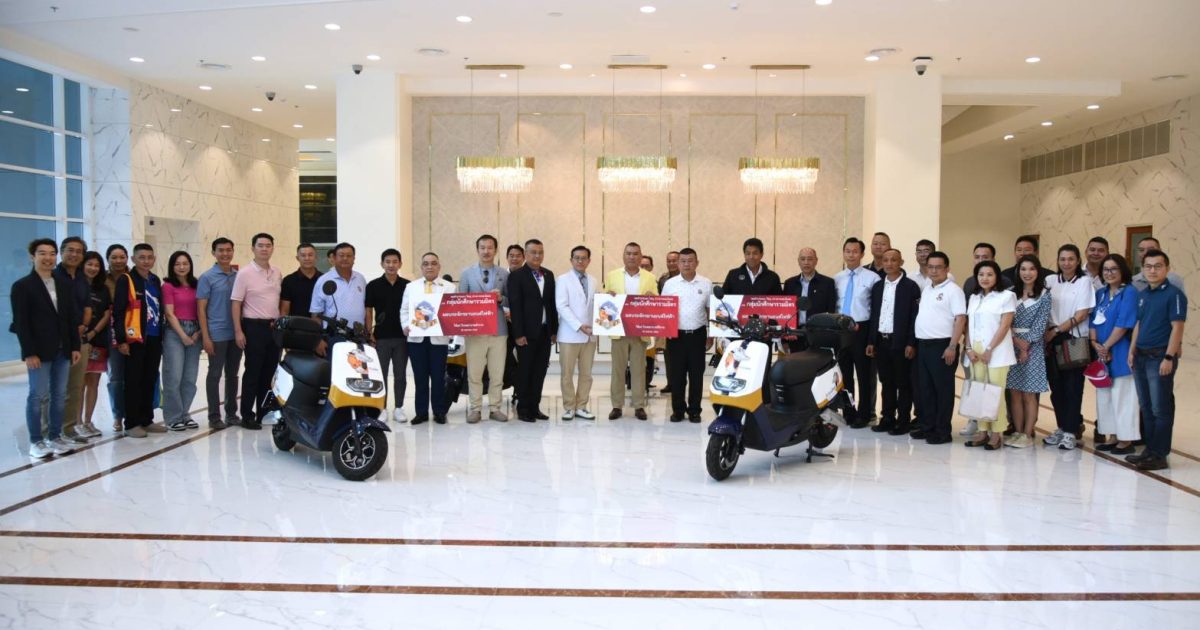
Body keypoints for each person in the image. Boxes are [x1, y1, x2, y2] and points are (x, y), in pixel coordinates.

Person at [11, 238, 82, 458]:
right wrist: (29, 352)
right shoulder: (23, 286)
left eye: (52, 253)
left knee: (59, 395)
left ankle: (55, 436)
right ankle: (36, 441)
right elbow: (21, 323)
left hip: (63, 349)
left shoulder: (63, 284)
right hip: (39, 351)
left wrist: (75, 346)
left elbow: (71, 318)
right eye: (42, 253)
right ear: (32, 256)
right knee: (37, 396)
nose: (48, 258)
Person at [1126, 249, 1187, 471]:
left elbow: (1177, 328)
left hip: (1159, 357)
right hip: (1141, 357)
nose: (1152, 270)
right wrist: (1132, 351)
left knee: (1160, 408)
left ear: (1167, 269)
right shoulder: (1143, 294)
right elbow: (1138, 324)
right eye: (1148, 266)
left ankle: (1160, 454)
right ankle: (1150, 450)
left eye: (1158, 266)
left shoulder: (1174, 295)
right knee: (1146, 406)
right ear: (1143, 269)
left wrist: (1169, 357)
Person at [1042, 244, 1095, 451]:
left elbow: (1081, 315)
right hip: (1051, 340)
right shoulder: (1050, 281)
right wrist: (1049, 333)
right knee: (1056, 388)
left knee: (1073, 387)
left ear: (1078, 261)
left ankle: (1071, 431)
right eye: (1062, 259)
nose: (1066, 263)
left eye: (1071, 259)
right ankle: (1062, 427)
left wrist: (1056, 330)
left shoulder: (1084, 282)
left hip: (1074, 340)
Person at [959, 242, 1014, 439]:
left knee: (995, 392)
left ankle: (996, 434)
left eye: (989, 274)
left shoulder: (1007, 296)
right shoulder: (974, 297)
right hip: (975, 350)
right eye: (981, 274)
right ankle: (982, 432)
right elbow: (969, 325)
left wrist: (990, 349)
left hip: (996, 350)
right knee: (979, 391)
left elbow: (1005, 326)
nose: (985, 278)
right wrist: (968, 348)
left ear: (997, 276)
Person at [112, 243, 168, 438]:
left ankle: (146, 419)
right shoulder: (126, 280)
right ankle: (132, 423)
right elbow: (118, 312)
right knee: (133, 381)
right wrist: (122, 340)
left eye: (149, 257)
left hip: (154, 338)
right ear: (133, 259)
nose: (146, 261)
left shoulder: (154, 280)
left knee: (150, 379)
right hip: (134, 338)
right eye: (142, 257)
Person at [912, 251, 966, 445]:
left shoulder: (953, 290)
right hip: (923, 345)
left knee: (942, 390)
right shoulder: (928, 288)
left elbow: (960, 319)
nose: (933, 271)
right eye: (930, 267)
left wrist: (952, 346)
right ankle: (928, 427)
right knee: (926, 389)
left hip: (942, 346)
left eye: (938, 267)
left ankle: (943, 431)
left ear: (947, 269)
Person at [230, 233, 282, 430]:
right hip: (253, 327)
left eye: (268, 245)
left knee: (269, 373)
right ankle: (247, 415)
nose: (264, 249)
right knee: (253, 372)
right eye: (260, 245)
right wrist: (238, 331)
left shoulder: (277, 272)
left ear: (272, 248)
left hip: (273, 328)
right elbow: (236, 303)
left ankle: (264, 412)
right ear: (253, 248)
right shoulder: (244, 273)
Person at [865, 249, 920, 435]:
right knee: (886, 382)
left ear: (901, 262)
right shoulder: (878, 286)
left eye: (893, 260)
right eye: (886, 260)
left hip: (901, 343)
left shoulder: (910, 287)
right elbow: (875, 315)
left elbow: (914, 317)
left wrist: (911, 343)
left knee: (903, 383)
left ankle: (903, 421)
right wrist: (871, 341)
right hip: (882, 341)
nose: (889, 263)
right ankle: (887, 418)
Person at [1090, 254, 1139, 455]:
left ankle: (1126, 439)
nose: (1109, 273)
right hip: (1101, 351)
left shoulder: (1130, 292)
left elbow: (1124, 322)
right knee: (1105, 396)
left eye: (1113, 269)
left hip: (1120, 350)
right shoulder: (1100, 293)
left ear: (1122, 271)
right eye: (1105, 269)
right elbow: (1093, 320)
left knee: (1123, 396)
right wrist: (1095, 344)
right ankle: (1112, 436)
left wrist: (1106, 346)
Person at [459, 235, 510, 423]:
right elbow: (460, 301)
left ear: (495, 250)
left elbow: (511, 301)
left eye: (490, 248)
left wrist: (501, 299)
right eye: (483, 247)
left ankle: (495, 408)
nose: (486, 251)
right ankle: (475, 409)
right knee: (474, 373)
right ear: (477, 250)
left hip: (498, 331)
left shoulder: (504, 274)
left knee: (497, 374)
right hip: (475, 331)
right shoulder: (466, 273)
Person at [603, 242, 657, 421]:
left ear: (640, 256)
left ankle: (639, 406)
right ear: (623, 256)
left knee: (639, 370)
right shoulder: (612, 275)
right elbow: (604, 301)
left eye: (635, 254)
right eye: (628, 253)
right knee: (617, 370)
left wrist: (652, 297)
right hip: (619, 329)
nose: (632, 257)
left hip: (640, 330)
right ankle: (616, 406)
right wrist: (608, 294)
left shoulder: (650, 277)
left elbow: (657, 301)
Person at [508, 239, 558, 422]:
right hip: (526, 334)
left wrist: (554, 330)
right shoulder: (517, 276)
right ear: (526, 254)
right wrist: (518, 334)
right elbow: (515, 307)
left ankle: (534, 407)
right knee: (525, 371)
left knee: (539, 372)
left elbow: (551, 304)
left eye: (540, 252)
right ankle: (523, 408)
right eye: (533, 252)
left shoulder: (549, 275)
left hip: (545, 332)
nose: (537, 255)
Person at [1005, 255, 1052, 448]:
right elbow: (1004, 321)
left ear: (1038, 271)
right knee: (1014, 392)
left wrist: (1026, 345)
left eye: (1031, 269)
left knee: (1029, 393)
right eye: (1023, 269)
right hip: (1010, 345)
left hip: (1034, 347)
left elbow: (1041, 324)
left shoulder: (1045, 295)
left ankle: (1027, 433)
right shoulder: (1010, 293)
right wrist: (1016, 341)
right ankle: (1017, 431)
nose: (1027, 273)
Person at [661, 248, 714, 422]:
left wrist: (711, 334)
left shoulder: (706, 283)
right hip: (675, 336)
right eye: (683, 261)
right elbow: (663, 309)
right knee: (677, 376)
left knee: (696, 375)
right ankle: (678, 410)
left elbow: (711, 311)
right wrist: (664, 331)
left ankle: (694, 410)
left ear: (697, 263)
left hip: (698, 335)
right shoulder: (670, 284)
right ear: (678, 264)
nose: (686, 264)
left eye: (690, 261)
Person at [401, 252, 455, 425]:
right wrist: (405, 326)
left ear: (439, 266)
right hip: (416, 340)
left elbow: (453, 312)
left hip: (438, 339)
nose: (429, 266)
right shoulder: (411, 287)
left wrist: (451, 329)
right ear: (421, 267)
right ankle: (421, 413)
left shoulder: (449, 287)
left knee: (438, 378)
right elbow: (404, 310)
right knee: (420, 378)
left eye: (433, 263)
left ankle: (439, 412)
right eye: (426, 264)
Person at [834, 237, 879, 427]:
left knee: (864, 375)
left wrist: (872, 339)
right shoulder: (837, 278)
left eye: (855, 251)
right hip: (841, 330)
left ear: (862, 254)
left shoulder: (872, 278)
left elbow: (875, 311)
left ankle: (864, 414)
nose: (851, 255)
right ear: (843, 253)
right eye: (847, 251)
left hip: (862, 329)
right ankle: (849, 411)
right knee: (844, 375)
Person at [197, 237, 241, 429]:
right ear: (213, 253)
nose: (225, 254)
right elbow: (201, 309)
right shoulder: (207, 277)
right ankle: (214, 416)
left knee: (233, 374)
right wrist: (206, 336)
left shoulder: (238, 276)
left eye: (228, 250)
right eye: (221, 250)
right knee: (214, 374)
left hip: (236, 333)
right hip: (216, 333)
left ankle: (231, 414)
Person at [365, 248, 410, 423]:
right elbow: (368, 311)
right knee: (380, 375)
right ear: (382, 264)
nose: (391, 265)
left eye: (395, 262)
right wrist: (369, 333)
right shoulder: (373, 285)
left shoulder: (408, 285)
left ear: (400, 264)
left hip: (402, 338)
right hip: (381, 338)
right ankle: (381, 408)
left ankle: (399, 408)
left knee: (400, 374)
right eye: (388, 262)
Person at [55, 236, 93, 442]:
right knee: (54, 389)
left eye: (79, 251)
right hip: (57, 340)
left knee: (75, 386)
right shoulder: (53, 277)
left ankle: (68, 429)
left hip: (79, 339)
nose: (74, 254)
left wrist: (83, 326)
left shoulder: (81, 278)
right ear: (61, 252)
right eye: (70, 250)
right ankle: (50, 432)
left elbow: (87, 306)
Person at [555, 245, 598, 420]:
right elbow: (561, 306)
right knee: (567, 374)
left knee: (586, 374)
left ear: (589, 260)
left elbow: (596, 306)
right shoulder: (563, 279)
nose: (580, 261)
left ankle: (581, 406)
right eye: (577, 258)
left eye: (583, 258)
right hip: (570, 334)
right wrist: (579, 326)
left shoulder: (593, 281)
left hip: (590, 336)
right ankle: (569, 407)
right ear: (571, 260)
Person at [161, 250, 202, 431]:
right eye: (177, 264)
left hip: (195, 331)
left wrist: (198, 332)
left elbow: (203, 310)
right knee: (173, 376)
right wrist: (183, 335)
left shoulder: (197, 285)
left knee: (190, 378)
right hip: (175, 332)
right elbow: (169, 314)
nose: (182, 267)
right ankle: (173, 417)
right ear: (172, 266)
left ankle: (185, 414)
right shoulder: (168, 286)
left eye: (185, 263)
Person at [311, 242, 367, 356]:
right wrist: (317, 339)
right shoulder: (323, 280)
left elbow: (365, 308)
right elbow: (316, 314)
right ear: (334, 258)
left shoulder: (360, 279)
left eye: (349, 255)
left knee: (358, 367)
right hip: (334, 337)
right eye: (341, 255)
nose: (345, 258)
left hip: (358, 337)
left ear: (354, 259)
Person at [782, 247, 837, 352]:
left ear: (816, 261)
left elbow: (831, 311)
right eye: (803, 259)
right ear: (798, 261)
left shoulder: (827, 283)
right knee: (796, 362)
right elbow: (785, 312)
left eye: (810, 259)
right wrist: (784, 340)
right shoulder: (790, 283)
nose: (806, 262)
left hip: (818, 335)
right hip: (795, 335)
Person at [80, 252, 111, 437]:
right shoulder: (74, 286)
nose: (93, 268)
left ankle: (88, 421)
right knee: (78, 384)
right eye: (89, 264)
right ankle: (76, 424)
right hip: (79, 341)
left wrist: (93, 333)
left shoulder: (103, 289)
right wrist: (84, 336)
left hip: (98, 340)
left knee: (93, 382)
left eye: (96, 265)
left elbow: (107, 313)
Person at [104, 244, 129, 432]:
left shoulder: (133, 277)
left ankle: (135, 413)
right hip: (111, 333)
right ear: (108, 259)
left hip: (134, 331)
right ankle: (117, 415)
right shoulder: (102, 280)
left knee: (134, 375)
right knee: (116, 376)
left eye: (122, 257)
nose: (118, 261)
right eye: (114, 257)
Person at [657, 250, 680, 393]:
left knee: (681, 355)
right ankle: (670, 383)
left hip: (685, 321)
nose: (671, 264)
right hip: (668, 322)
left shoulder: (686, 277)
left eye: (674, 261)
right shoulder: (663, 279)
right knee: (668, 355)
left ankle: (680, 383)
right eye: (669, 261)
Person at [280, 243, 320, 316]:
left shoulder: (324, 279)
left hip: (320, 323)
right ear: (297, 258)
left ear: (316, 257)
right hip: (296, 323)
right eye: (303, 255)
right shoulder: (288, 280)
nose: (307, 258)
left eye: (310, 255)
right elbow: (284, 310)